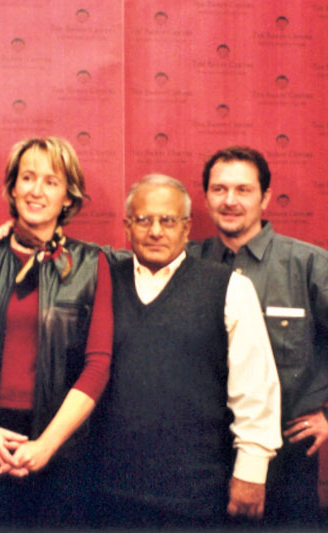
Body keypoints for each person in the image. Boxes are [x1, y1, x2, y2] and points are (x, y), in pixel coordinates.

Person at [191, 146, 328, 525]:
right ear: (205, 196)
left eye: (243, 190)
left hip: (286, 459)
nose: (230, 200)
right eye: (219, 189)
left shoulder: (310, 266)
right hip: (203, 455)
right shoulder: (186, 265)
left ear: (265, 197)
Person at [94, 174, 281, 528]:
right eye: (144, 219)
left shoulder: (230, 287)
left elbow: (255, 389)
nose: (155, 231)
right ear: (127, 227)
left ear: (186, 228)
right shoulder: (100, 280)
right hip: (108, 489)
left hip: (195, 492)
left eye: (168, 220)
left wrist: (252, 472)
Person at [0, 137, 112, 529]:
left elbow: (98, 365)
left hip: (61, 447)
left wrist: (46, 446)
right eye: (27, 177)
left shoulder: (93, 263)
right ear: (11, 187)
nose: (36, 191)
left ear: (69, 197)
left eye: (51, 181)